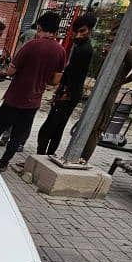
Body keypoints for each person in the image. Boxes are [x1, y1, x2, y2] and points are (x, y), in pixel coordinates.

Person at [0, 11, 66, 171]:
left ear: (40, 27)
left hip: (14, 98)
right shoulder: (61, 51)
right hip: (33, 102)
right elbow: (55, 81)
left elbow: (10, 71)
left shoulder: (31, 45)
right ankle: (3, 163)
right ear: (56, 30)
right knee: (17, 136)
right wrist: (41, 78)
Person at [37, 14, 96, 156]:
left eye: (83, 31)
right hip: (67, 91)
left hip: (69, 93)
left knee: (51, 127)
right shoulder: (80, 46)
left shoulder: (85, 49)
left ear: (89, 30)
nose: (79, 34)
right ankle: (47, 154)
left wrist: (62, 90)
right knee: (55, 126)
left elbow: (73, 74)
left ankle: (44, 155)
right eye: (77, 31)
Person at [81, 43, 132, 162]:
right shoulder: (110, 47)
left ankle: (82, 159)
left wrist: (122, 81)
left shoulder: (129, 51)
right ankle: (77, 155)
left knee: (96, 128)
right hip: (98, 91)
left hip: (107, 95)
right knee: (86, 125)